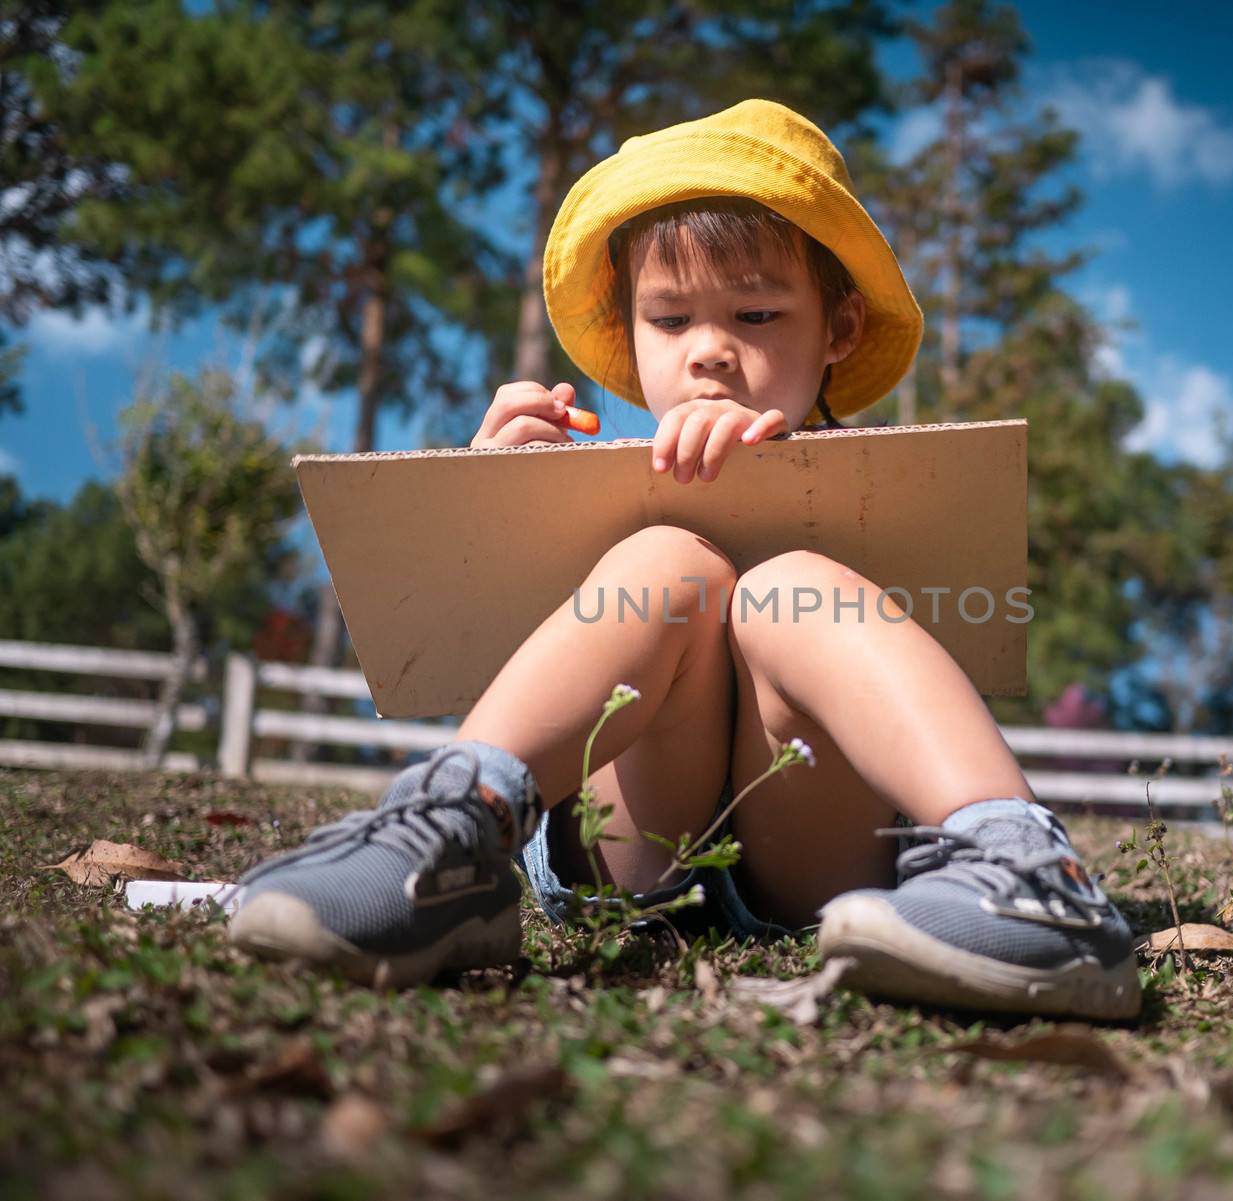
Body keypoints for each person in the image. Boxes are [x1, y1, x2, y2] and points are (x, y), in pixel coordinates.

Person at [228, 99, 1140, 1020]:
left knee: (793, 586)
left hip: (817, 852)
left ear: (840, 329)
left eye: (755, 311)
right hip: (630, 845)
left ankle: (1026, 868)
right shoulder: (591, 492)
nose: (709, 350)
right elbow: (471, 639)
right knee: (668, 558)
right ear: (628, 334)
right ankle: (450, 830)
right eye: (668, 319)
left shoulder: (887, 494)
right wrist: (497, 502)